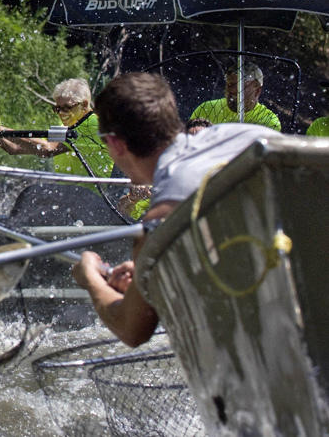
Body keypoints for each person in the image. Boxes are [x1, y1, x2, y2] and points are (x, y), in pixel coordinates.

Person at [71, 73, 279, 346]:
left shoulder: (161, 218)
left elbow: (132, 329)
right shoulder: (251, 136)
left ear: (116, 144)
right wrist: (149, 268)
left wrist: (90, 276)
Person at [0, 78, 113, 181]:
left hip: (96, 196)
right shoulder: (65, 124)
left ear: (84, 104)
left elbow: (47, 149)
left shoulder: (93, 125)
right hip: (71, 194)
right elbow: (15, 148)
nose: (61, 113)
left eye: (67, 108)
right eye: (57, 108)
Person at [117, 117, 212, 219]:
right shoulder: (166, 173)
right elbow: (122, 209)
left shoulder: (221, 169)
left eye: (200, 140)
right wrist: (133, 198)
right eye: (190, 141)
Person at [189, 63, 281, 130]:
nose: (231, 90)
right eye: (229, 84)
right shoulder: (206, 109)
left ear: (257, 91)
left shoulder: (269, 121)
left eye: (240, 86)